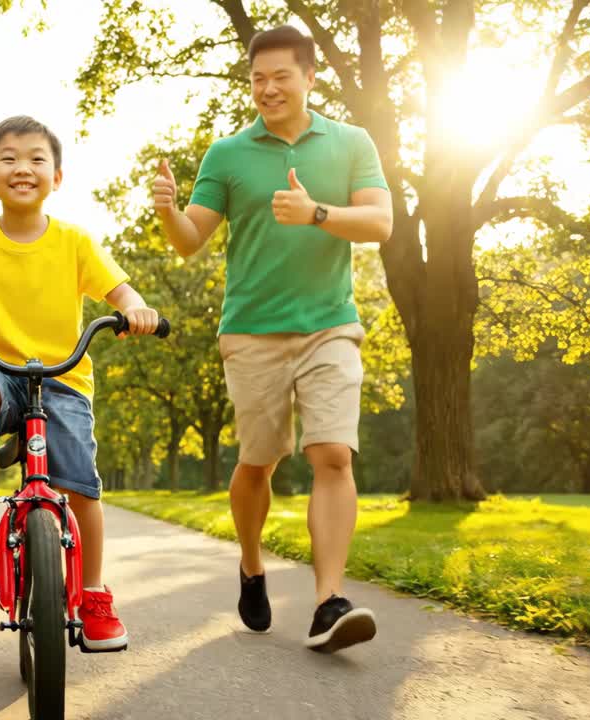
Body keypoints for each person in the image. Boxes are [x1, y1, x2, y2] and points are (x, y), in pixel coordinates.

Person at [152, 25, 393, 653]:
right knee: (259, 461)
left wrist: (317, 212)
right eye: (257, 78)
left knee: (332, 454)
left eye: (280, 76)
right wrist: (166, 211)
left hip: (330, 324)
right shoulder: (228, 154)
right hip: (252, 332)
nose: (267, 88)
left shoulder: (351, 143)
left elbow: (380, 223)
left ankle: (327, 601)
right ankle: (252, 563)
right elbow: (189, 240)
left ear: (310, 77)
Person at [0, 116, 161, 651]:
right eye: (9, 158)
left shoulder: (74, 242)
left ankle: (92, 593)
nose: (23, 168)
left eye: (37, 159)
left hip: (64, 377)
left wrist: (137, 312)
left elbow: (123, 292)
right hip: (2, 371)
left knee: (81, 488)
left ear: (57, 178)